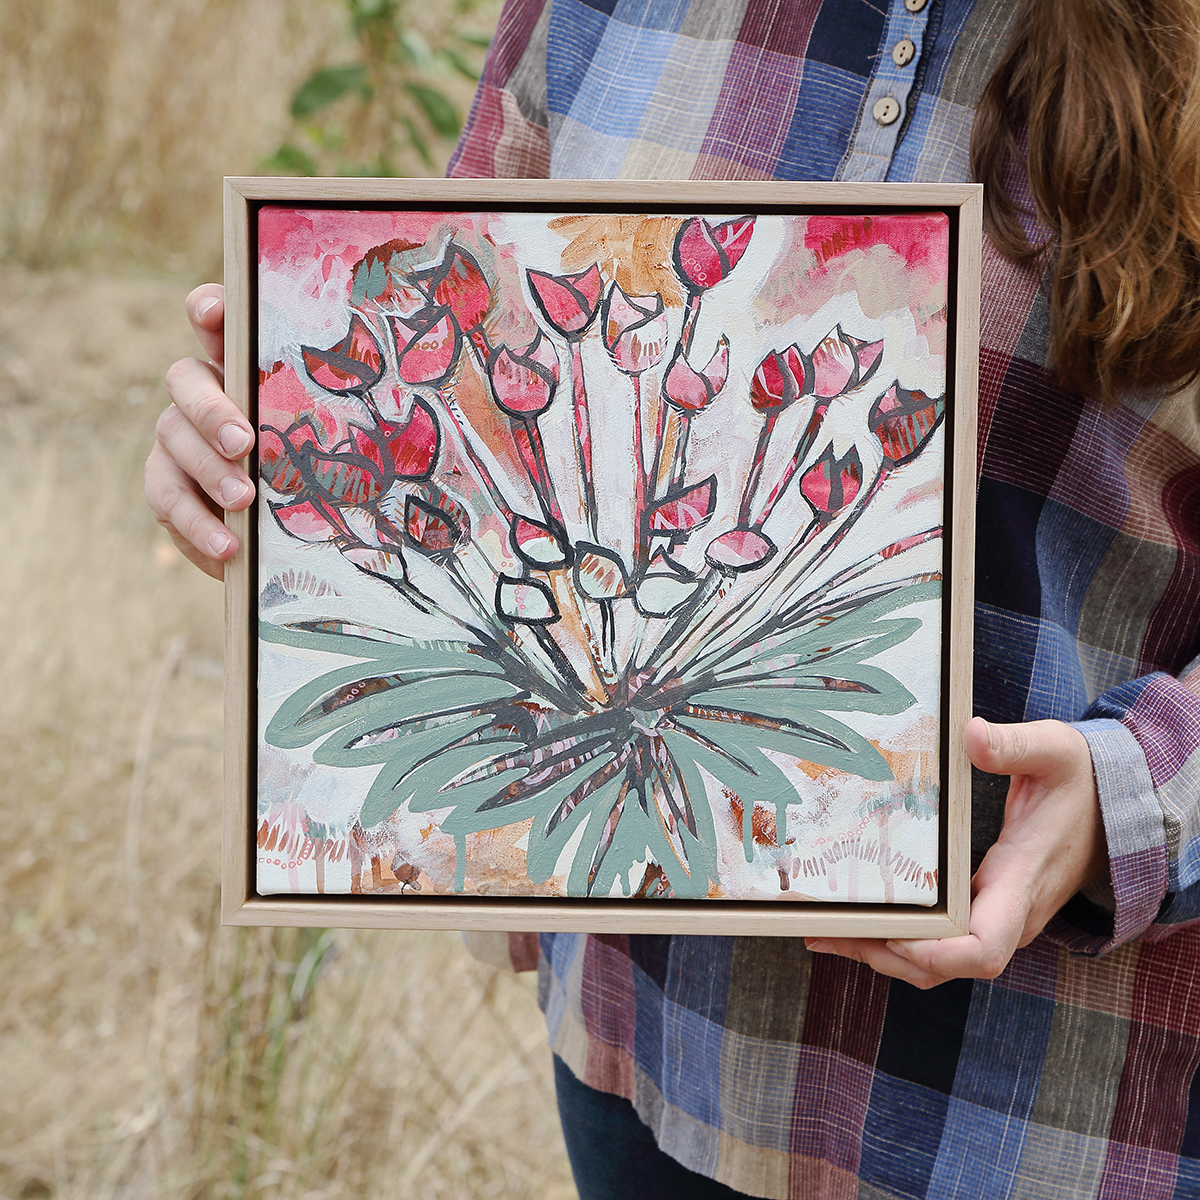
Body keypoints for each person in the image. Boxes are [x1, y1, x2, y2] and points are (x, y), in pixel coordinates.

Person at [147, 0, 1200, 1195]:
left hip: (1035, 1118)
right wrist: (273, 455)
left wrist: (1134, 796)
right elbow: (447, 345)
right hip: (643, 1063)